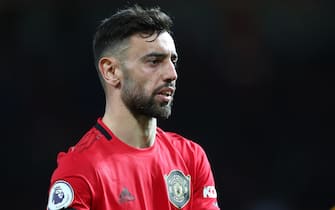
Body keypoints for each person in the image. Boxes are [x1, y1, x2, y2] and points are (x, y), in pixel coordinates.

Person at [46, 4, 220, 210]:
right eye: (154, 61)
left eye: (173, 61)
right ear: (111, 71)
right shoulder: (80, 170)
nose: (171, 74)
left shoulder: (191, 158)